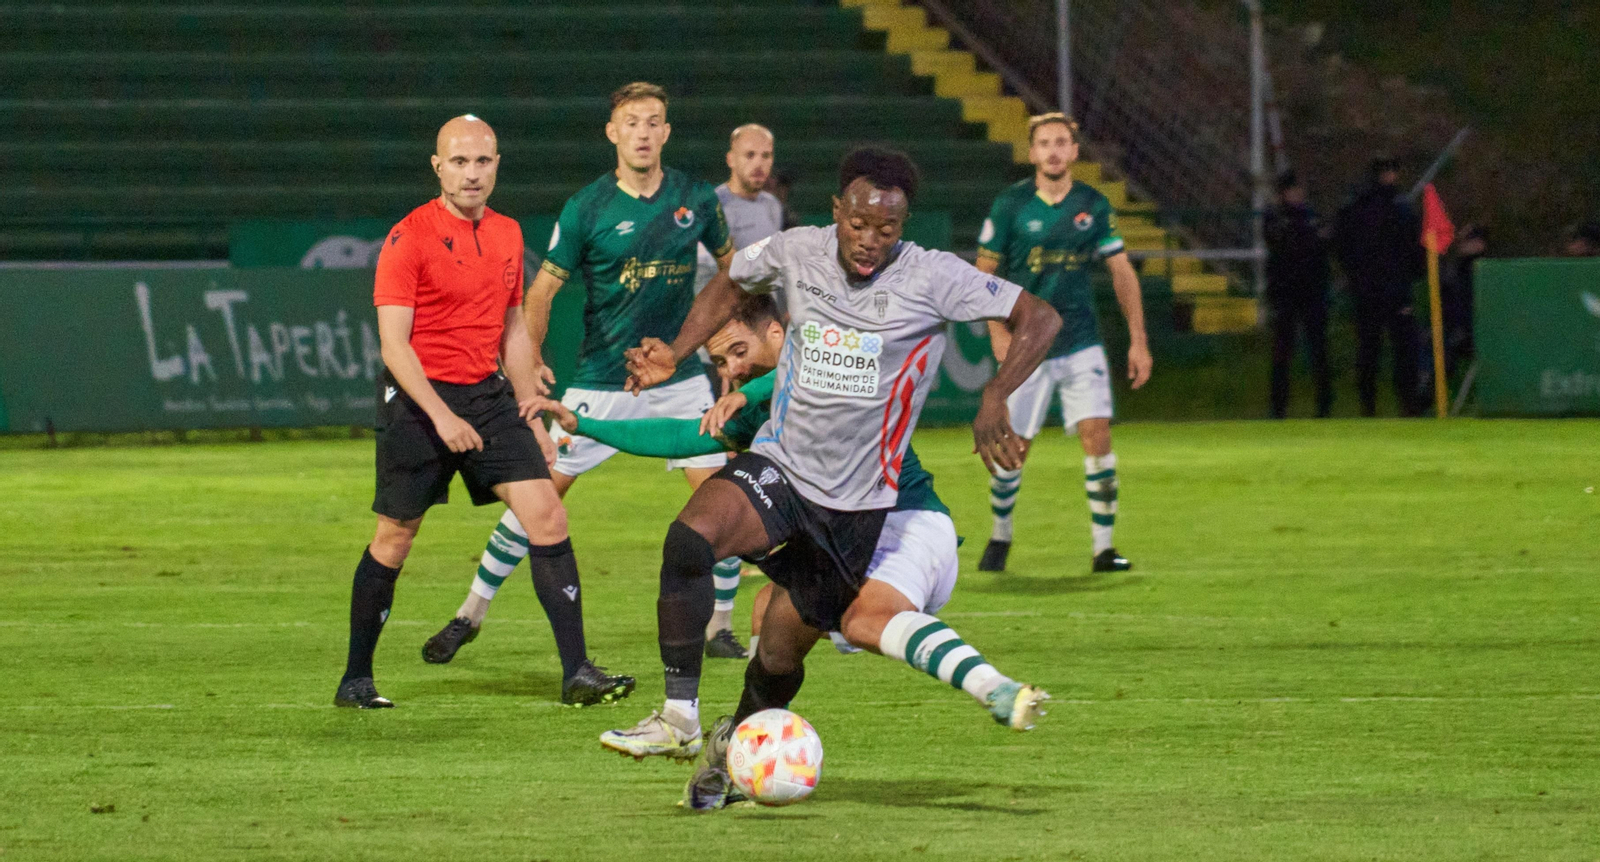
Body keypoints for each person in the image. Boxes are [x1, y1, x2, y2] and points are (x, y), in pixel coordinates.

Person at [597, 147, 1062, 762]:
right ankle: (679, 715)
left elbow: (1040, 316)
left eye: (887, 229)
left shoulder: (931, 276)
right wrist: (678, 351)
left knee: (779, 653)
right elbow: (732, 280)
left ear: (905, 227)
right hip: (781, 467)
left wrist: (996, 394)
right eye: (859, 223)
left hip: (855, 507)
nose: (870, 240)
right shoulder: (797, 250)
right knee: (689, 541)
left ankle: (729, 757)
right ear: (837, 210)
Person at [421, 82, 752, 666]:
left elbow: (733, 277)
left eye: (654, 122)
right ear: (613, 133)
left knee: (724, 499)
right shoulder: (588, 207)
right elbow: (543, 290)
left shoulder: (695, 199)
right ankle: (469, 613)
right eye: (632, 123)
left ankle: (720, 626)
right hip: (603, 380)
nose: (644, 133)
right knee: (539, 497)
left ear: (666, 132)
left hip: (678, 379)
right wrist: (534, 357)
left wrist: (731, 352)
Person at [335, 115, 620, 709]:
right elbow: (394, 346)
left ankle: (577, 673)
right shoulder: (407, 237)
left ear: (496, 166)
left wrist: (532, 413)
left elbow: (513, 329)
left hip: (486, 396)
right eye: (459, 162)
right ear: (437, 167)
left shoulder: (509, 233)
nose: (472, 173)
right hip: (419, 398)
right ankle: (356, 680)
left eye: (483, 161)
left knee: (547, 517)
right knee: (395, 536)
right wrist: (441, 417)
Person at [971, 113, 1151, 575]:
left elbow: (1121, 271)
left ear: (1074, 152)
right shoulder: (1010, 205)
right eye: (1044, 143)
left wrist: (1138, 340)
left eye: (1062, 143)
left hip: (1080, 340)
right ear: (1032, 153)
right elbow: (982, 276)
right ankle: (1000, 534)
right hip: (1028, 346)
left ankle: (1104, 549)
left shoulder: (1093, 203)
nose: (1053, 151)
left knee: (1097, 433)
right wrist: (997, 332)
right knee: (1016, 446)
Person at [1336, 157, 1425, 417]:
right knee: (1374, 350)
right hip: (1379, 290)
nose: (1391, 177)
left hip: (1384, 289)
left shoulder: (1376, 207)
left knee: (1392, 349)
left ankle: (1399, 403)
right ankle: (1378, 405)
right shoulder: (1394, 209)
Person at [1265, 170, 1333, 419]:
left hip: (1312, 292)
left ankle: (1325, 405)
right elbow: (1286, 244)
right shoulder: (1276, 217)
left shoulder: (1310, 215)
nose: (1298, 194)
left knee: (1318, 350)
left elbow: (1322, 244)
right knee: (1283, 351)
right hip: (1286, 293)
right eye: (1293, 189)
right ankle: (1278, 406)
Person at [1440, 224, 1486, 378]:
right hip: (1455, 327)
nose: (1461, 244)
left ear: (1479, 244)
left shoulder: (1480, 271)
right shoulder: (1458, 267)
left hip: (1469, 331)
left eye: (1466, 240)